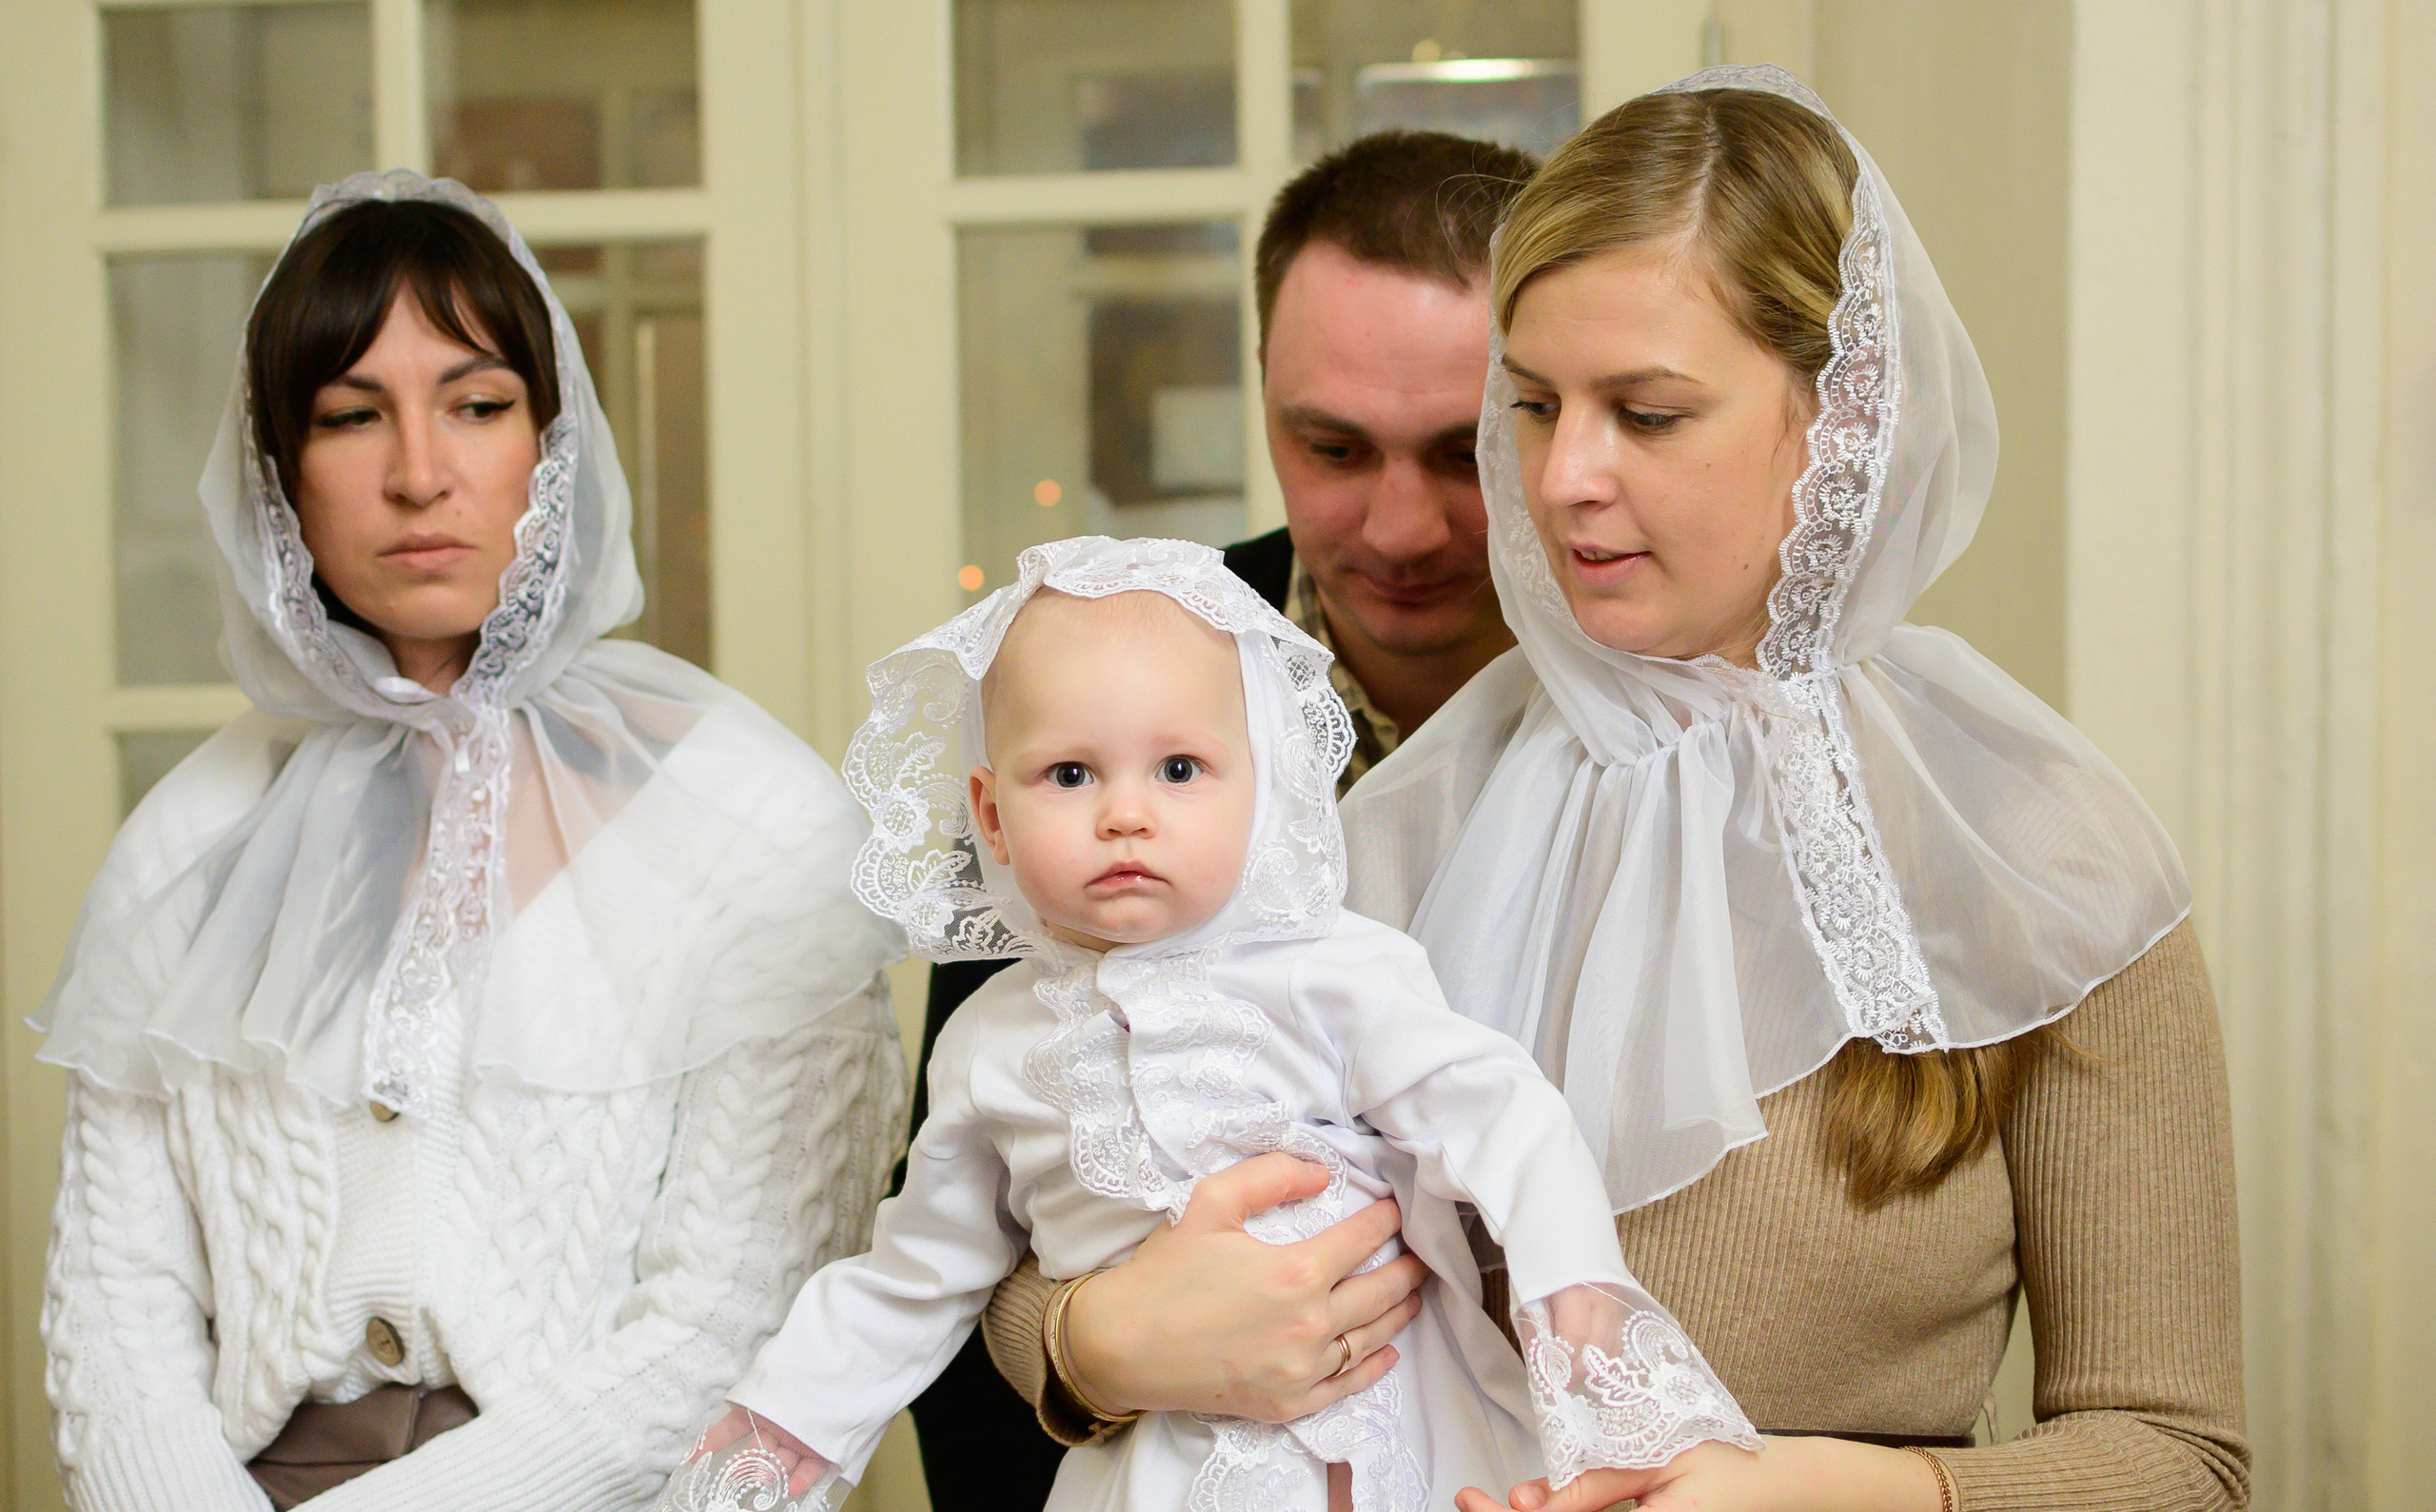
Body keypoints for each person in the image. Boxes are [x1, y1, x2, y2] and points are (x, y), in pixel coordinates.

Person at [994, 67, 2249, 1512]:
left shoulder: (2039, 849)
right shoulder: (1353, 829)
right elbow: (1024, 1215)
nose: (1562, 477)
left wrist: (1834, 1493)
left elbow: (2181, 1458)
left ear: (1842, 423)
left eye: (1645, 415)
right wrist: (1094, 1342)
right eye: (1531, 404)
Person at [36, 172, 907, 1511]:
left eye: (478, 403)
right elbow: (116, 1305)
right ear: (279, 479)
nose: (418, 474)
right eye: (348, 416)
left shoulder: (751, 821)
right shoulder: (185, 843)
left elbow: (738, 1317)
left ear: (552, 444)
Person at [666, 537, 1755, 1512]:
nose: (1125, 811)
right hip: (1160, 1462)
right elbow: (908, 1277)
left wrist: (1576, 1303)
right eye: (1070, 772)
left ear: (1262, 787)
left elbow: (1504, 1115)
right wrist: (770, 1447)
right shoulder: (989, 1046)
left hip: (1392, 1440)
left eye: (1179, 768)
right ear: (991, 812)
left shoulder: (1336, 968)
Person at [907, 129, 1537, 1505]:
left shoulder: (1646, 711)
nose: (1404, 525)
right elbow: (962, 1238)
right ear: (1260, 394)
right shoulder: (1095, 695)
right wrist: (1087, 1351)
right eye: (1330, 447)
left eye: (1462, 451)